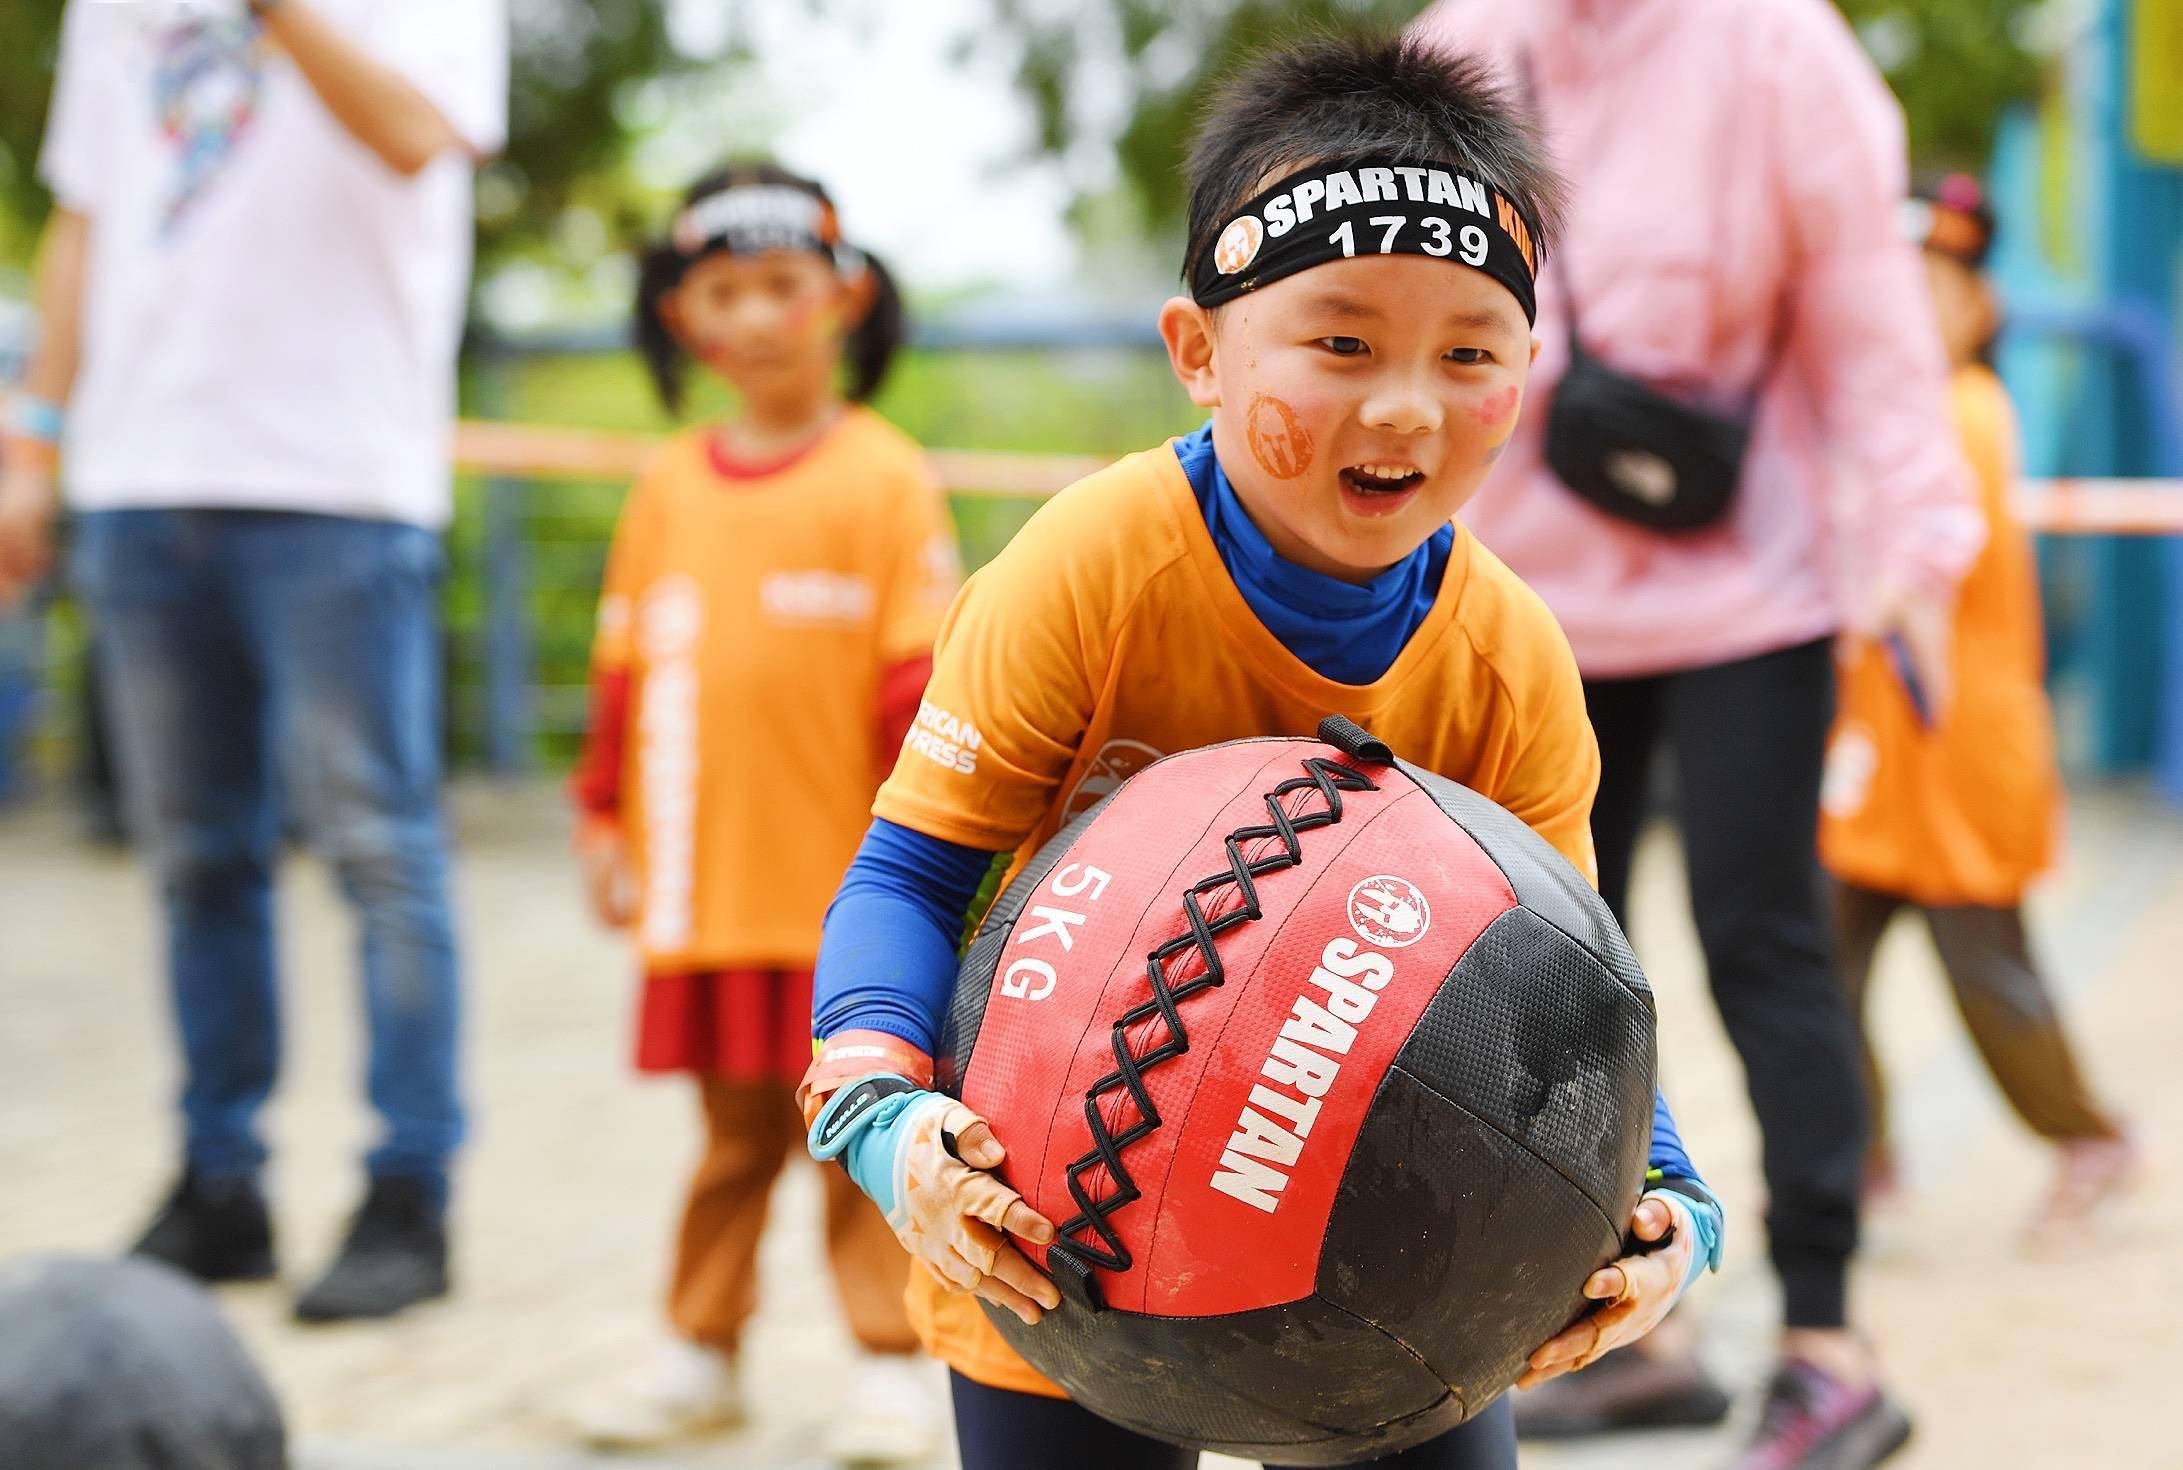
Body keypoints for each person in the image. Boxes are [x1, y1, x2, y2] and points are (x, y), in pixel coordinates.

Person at [796, 35, 1729, 1470]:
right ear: (1197, 353)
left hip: (1401, 1251)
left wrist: (1662, 1194)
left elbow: (1564, 999)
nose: (1406, 403)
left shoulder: (1510, 656)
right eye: (1341, 343)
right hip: (1054, 1239)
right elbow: (909, 873)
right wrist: (876, 1106)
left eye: (1467, 352)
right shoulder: (1084, 569)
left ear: (1526, 374)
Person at [1405, 2, 1983, 1462]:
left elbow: (1867, 321)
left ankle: (1823, 1337)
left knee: (1762, 943)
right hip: (1519, 595)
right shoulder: (1462, 41)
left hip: (1747, 593)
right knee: (1527, 970)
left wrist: (1915, 550)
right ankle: (1620, 1323)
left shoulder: (1778, 53)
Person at [0, 0, 506, 1320]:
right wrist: (36, 435)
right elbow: (86, 214)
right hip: (141, 472)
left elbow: (415, 135)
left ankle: (410, 1190)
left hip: (338, 482)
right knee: (193, 856)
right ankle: (217, 1182)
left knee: (378, 849)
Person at [562, 163, 959, 1461]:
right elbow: (620, 666)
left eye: (781, 284)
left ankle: (890, 1359)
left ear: (842, 296)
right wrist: (601, 812)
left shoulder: (886, 478)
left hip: (852, 887)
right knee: (730, 1135)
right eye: (721, 290)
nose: (754, 315)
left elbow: (921, 689)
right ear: (683, 316)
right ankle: (700, 1347)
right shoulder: (667, 482)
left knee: (861, 1123)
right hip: (705, 882)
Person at [1819, 174, 2138, 1239]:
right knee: (1823, 956)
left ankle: (2087, 1135)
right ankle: (1857, 1158)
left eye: (1934, 289)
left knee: (1985, 972)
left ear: (1976, 305)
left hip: (1953, 746)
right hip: (1882, 744)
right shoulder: (1918, 417)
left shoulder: (1960, 415)